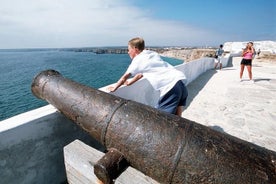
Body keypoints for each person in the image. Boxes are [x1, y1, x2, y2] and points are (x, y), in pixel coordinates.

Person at [107, 37, 188, 116]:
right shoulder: (151, 53)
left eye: (129, 49)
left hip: (170, 87)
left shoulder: (137, 60)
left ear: (135, 49)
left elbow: (124, 77)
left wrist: (115, 88)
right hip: (180, 82)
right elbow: (141, 74)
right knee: (177, 115)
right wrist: (130, 82)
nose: (128, 52)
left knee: (163, 118)